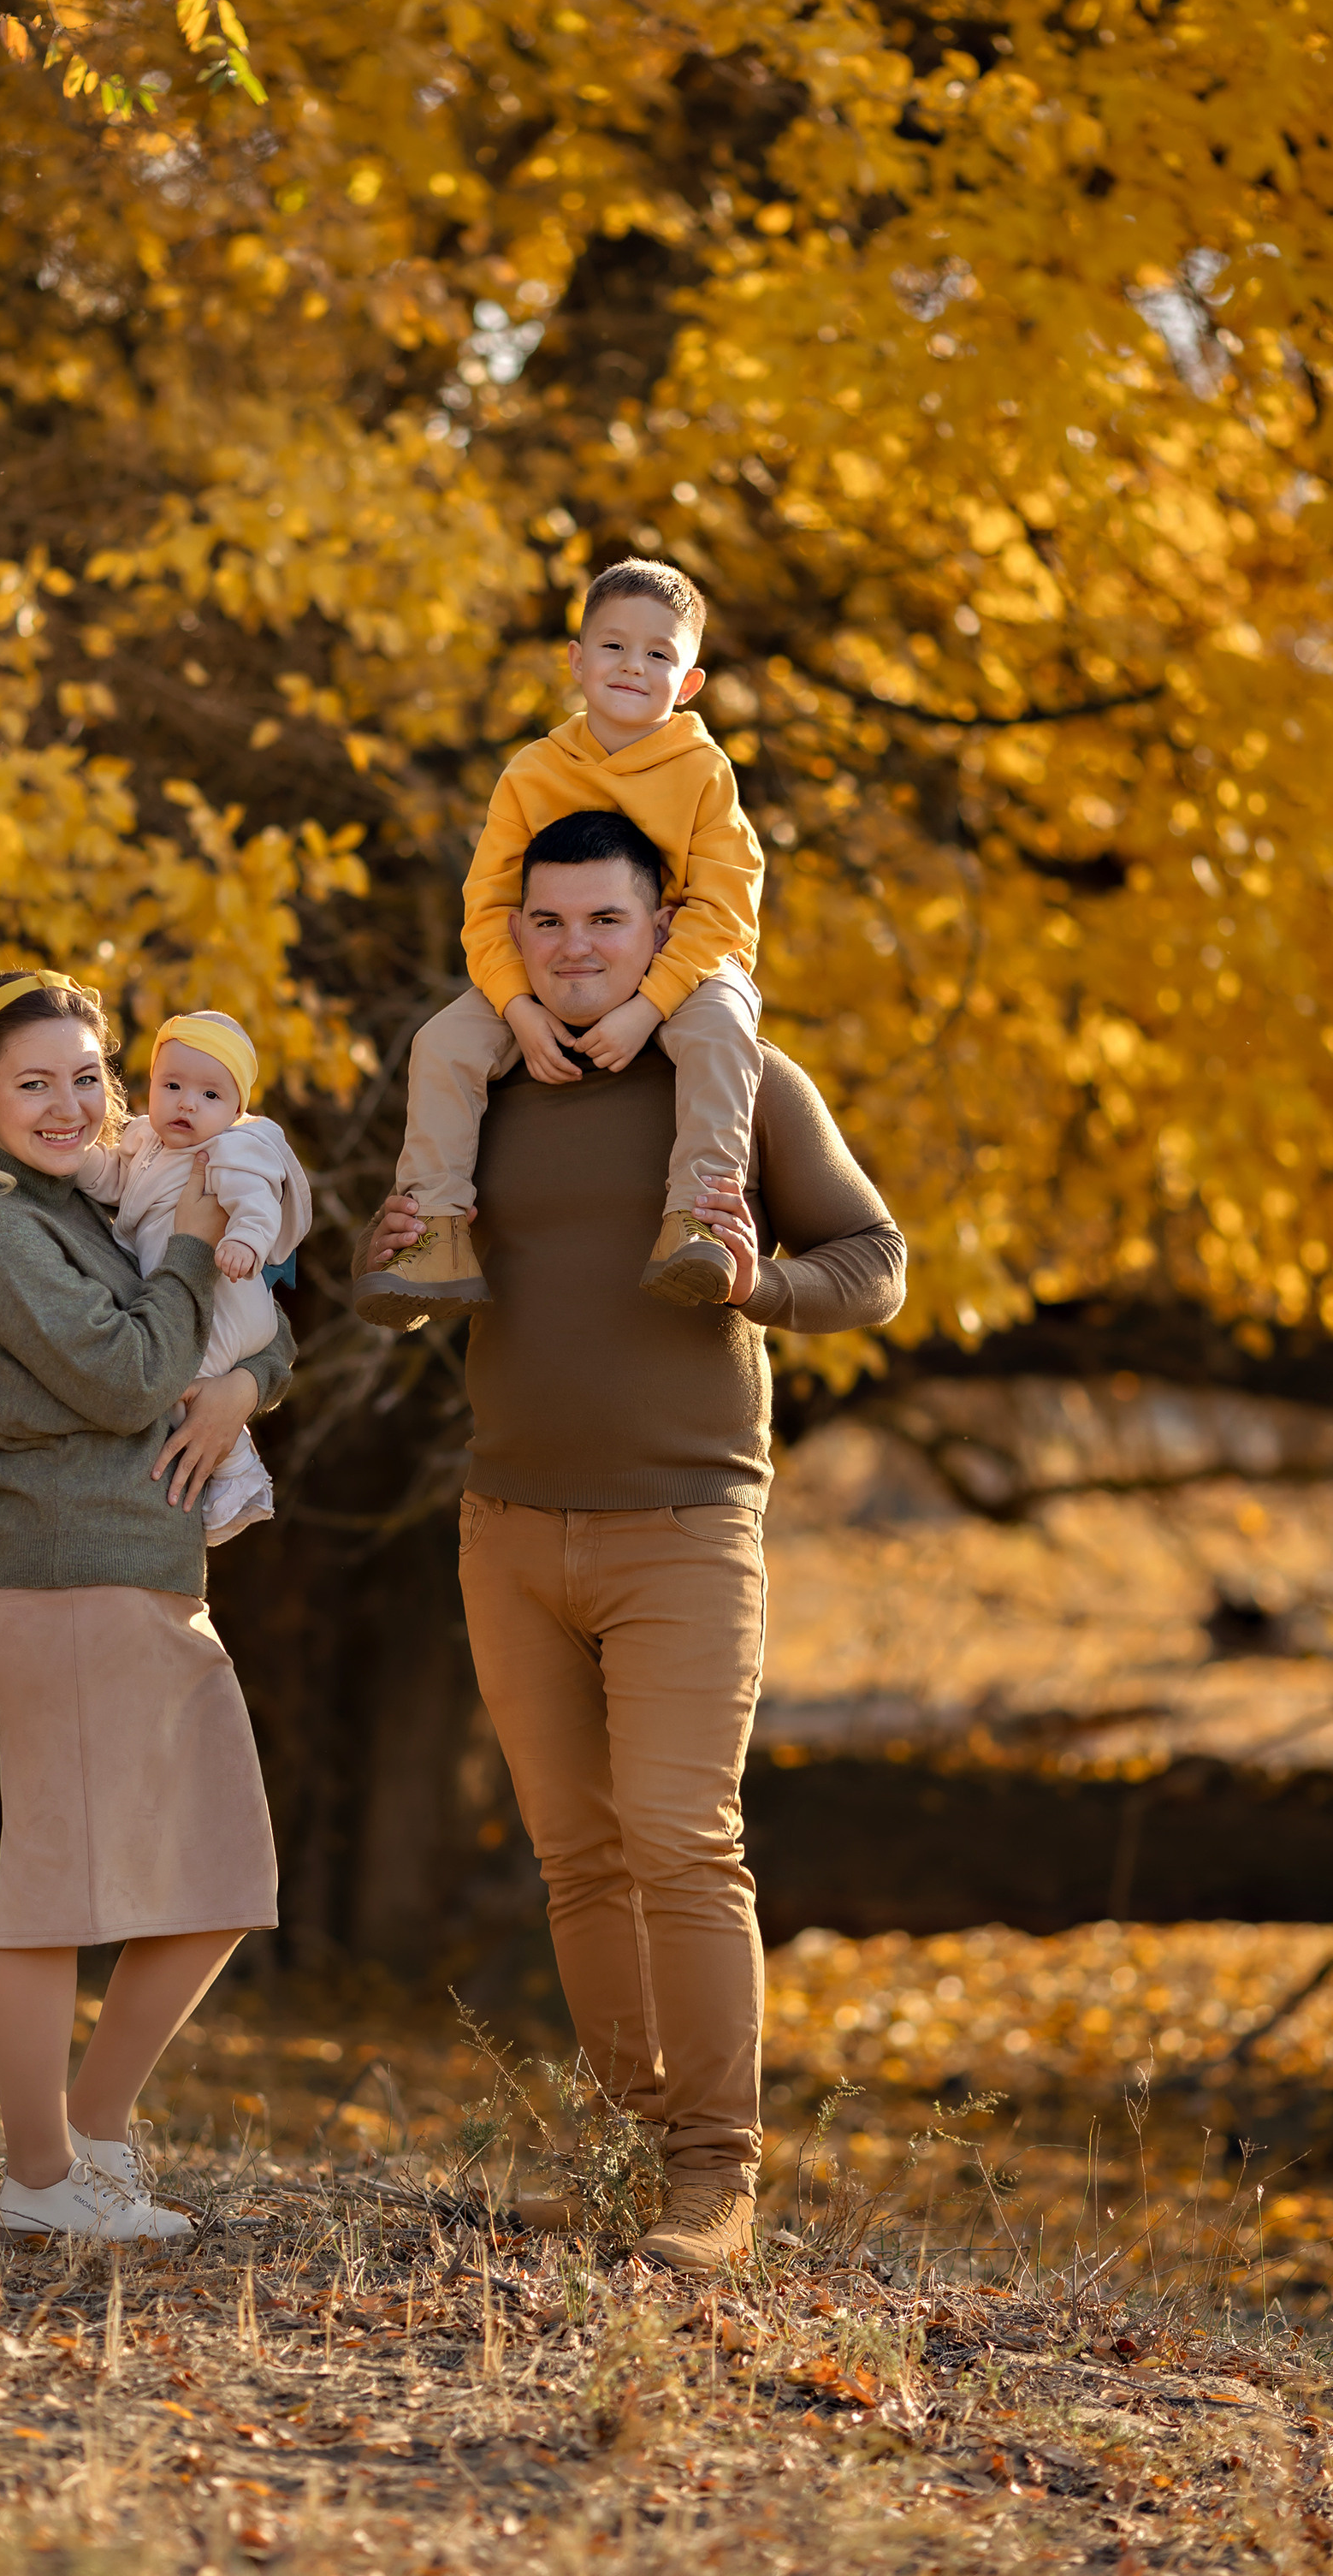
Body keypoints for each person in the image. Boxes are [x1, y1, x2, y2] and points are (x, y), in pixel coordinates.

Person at [354, 813, 907, 2274]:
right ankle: (615, 2152)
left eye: (604, 920)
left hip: (681, 1524)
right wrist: (382, 1257)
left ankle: (712, 2179)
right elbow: (409, 1279)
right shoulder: (481, 1081)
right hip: (506, 1526)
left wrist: (755, 1285)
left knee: (679, 1839)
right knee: (577, 1858)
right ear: (514, 932)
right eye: (547, 922)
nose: (575, 947)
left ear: (660, 927)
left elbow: (874, 1263)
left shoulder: (736, 1079)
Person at [0, 969, 293, 2243]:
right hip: (64, 1586)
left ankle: (96, 2139)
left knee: (224, 1874)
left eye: (85, 1076)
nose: (69, 1105)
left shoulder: (95, 1199)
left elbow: (251, 1322)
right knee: (54, 1891)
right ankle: (39, 2174)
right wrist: (190, 1246)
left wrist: (244, 1388)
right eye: (33, 1084)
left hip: (145, 1576)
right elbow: (129, 1377)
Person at [361, 559, 765, 1327]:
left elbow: (725, 910)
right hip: (541, 974)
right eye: (613, 647)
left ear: (688, 683)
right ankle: (434, 1233)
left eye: (659, 654)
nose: (633, 667)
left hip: (685, 973)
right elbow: (488, 907)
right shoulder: (532, 772)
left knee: (721, 1029)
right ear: (577, 660)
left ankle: (700, 1219)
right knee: (442, 1045)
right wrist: (517, 1009)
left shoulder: (704, 775)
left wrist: (649, 1007)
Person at [75, 1009, 311, 1546]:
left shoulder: (231, 1150)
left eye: (210, 1096)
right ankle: (227, 1477)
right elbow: (114, 1179)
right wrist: (77, 1162)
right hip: (190, 1294)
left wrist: (244, 1242)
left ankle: (238, 1475)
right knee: (183, 1383)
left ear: (236, 1110)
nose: (186, 1103)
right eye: (173, 1085)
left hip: (225, 1298)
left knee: (178, 1380)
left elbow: (256, 1204)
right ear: (151, 1085)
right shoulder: (144, 1140)